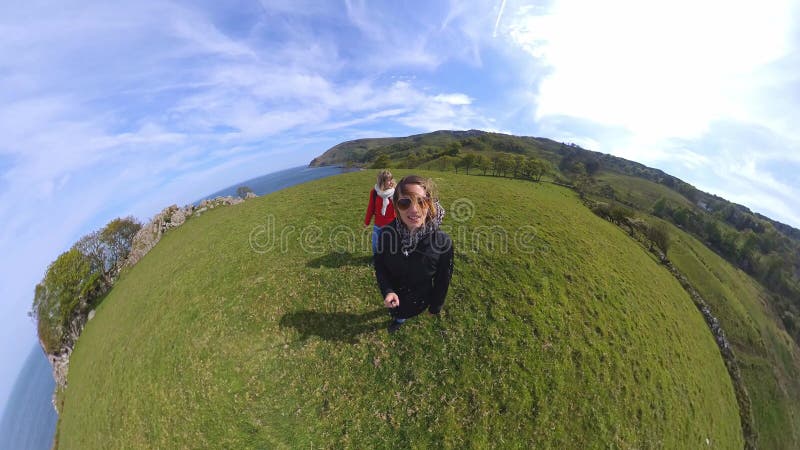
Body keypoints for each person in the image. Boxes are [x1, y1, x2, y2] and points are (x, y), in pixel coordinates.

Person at [373, 175, 454, 333]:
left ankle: (400, 319)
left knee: (405, 312)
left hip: (420, 300)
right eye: (405, 203)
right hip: (395, 298)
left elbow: (443, 279)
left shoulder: (442, 242)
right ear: (396, 207)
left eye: (421, 201)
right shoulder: (386, 234)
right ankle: (398, 319)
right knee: (397, 313)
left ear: (429, 203)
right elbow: (380, 265)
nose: (414, 209)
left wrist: (435, 306)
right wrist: (388, 290)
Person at [364, 170, 396, 255]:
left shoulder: (395, 192)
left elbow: (400, 209)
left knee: (390, 246)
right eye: (388, 180)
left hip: (392, 225)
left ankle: (388, 261)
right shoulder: (374, 192)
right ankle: (376, 259)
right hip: (378, 225)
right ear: (382, 181)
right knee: (375, 245)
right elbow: (370, 208)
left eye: (391, 179)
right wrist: (366, 222)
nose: (391, 182)